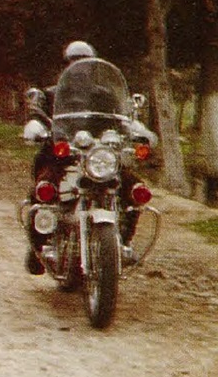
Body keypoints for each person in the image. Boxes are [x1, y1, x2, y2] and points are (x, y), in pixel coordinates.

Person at [22, 40, 146, 275]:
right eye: (74, 63)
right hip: (62, 155)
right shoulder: (51, 94)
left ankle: (124, 241)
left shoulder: (105, 95)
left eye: (84, 63)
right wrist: (36, 126)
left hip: (98, 157)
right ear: (66, 66)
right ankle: (39, 245)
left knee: (135, 189)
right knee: (43, 189)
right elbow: (37, 115)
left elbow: (123, 119)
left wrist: (136, 131)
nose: (79, 68)